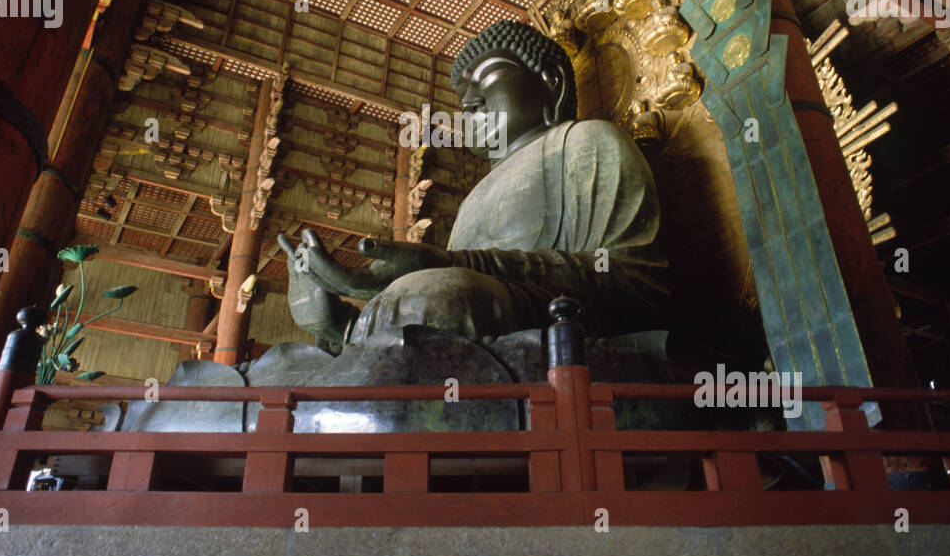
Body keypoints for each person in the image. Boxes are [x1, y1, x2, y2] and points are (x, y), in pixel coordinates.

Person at [277, 19, 674, 351]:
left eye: (487, 79)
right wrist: (338, 325)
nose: (468, 106)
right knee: (290, 358)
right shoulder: (472, 201)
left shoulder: (589, 142)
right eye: (463, 97)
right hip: (475, 314)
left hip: (566, 326)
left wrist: (452, 265)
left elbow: (633, 285)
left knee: (436, 299)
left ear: (552, 82)